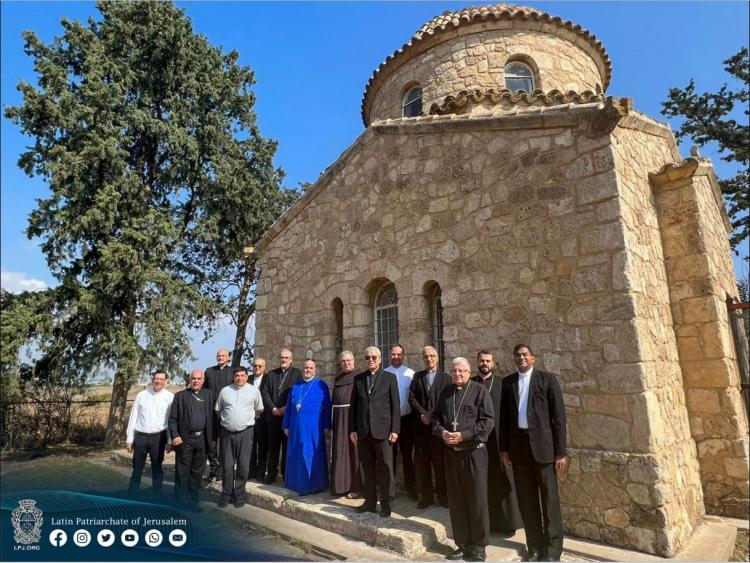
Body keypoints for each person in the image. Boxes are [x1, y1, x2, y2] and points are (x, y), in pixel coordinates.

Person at [499, 345, 567, 562]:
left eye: (525, 355)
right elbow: (504, 419)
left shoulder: (547, 380)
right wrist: (504, 449)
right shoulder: (508, 383)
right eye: (518, 355)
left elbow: (559, 418)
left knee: (549, 501)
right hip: (519, 450)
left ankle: (553, 549)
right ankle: (535, 546)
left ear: (533, 358)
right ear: (514, 358)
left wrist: (560, 452)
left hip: (544, 450)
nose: (521, 358)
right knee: (527, 501)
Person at [431, 357, 494, 563]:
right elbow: (436, 418)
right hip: (451, 453)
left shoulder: (479, 390)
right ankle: (462, 544)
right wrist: (441, 432)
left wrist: (464, 435)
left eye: (462, 371)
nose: (457, 374)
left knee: (476, 500)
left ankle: (479, 547)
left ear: (469, 372)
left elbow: (487, 422)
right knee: (457, 501)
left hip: (473, 453)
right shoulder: (446, 392)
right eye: (454, 371)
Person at [472, 350, 523, 536]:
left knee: (504, 481)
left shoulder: (502, 383)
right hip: (479, 442)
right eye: (481, 360)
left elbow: (511, 414)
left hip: (499, 442)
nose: (484, 363)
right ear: (477, 362)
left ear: (493, 363)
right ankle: (487, 523)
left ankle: (508, 523)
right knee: (483, 483)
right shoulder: (471, 383)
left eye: (488, 361)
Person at [349, 346, 400, 517]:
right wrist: (352, 429)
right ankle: (369, 502)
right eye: (367, 357)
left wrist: (395, 429)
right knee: (367, 469)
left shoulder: (389, 378)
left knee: (386, 470)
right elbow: (353, 407)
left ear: (380, 359)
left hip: (383, 431)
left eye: (373, 357)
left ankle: (386, 504)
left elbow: (396, 406)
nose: (370, 360)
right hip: (363, 432)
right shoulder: (358, 379)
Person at [214, 366, 264, 508]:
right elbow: (217, 410)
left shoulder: (254, 391)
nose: (239, 378)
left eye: (242, 375)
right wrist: (230, 420)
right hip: (227, 433)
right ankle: (226, 495)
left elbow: (259, 409)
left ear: (247, 377)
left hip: (246, 433)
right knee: (227, 466)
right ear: (233, 377)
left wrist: (245, 420)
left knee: (243, 465)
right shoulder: (225, 391)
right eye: (237, 375)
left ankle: (239, 496)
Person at [283, 359, 332, 495]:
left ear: (315, 370)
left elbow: (327, 406)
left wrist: (327, 425)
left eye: (311, 368)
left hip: (314, 428)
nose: (308, 370)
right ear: (302, 369)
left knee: (312, 455)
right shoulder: (296, 387)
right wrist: (286, 425)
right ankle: (295, 484)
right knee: (296, 454)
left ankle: (314, 486)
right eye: (306, 368)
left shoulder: (321, 385)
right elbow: (289, 408)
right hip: (296, 427)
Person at [409, 346, 450, 509]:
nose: (429, 359)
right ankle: (426, 497)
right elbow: (412, 398)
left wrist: (432, 417)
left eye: (432, 356)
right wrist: (422, 414)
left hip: (437, 429)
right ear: (423, 358)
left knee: (440, 466)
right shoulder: (417, 377)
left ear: (438, 358)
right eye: (426, 356)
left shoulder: (446, 378)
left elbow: (446, 401)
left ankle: (443, 496)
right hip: (420, 429)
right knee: (423, 465)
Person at [168, 369, 214, 512]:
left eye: (199, 379)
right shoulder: (180, 396)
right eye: (193, 378)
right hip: (184, 440)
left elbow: (217, 416)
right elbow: (172, 419)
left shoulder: (210, 395)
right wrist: (174, 435)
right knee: (182, 472)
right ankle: (180, 502)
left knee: (197, 474)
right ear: (189, 379)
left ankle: (193, 503)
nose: (196, 381)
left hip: (202, 439)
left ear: (203, 380)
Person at [126, 370, 174, 498]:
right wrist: (130, 438)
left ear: (165, 381)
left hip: (159, 438)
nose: (158, 381)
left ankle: (157, 498)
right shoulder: (142, 395)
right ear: (152, 379)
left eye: (161, 379)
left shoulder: (170, 397)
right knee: (137, 470)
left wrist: (169, 441)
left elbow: (171, 421)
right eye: (156, 378)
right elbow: (133, 416)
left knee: (157, 470)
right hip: (141, 437)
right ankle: (132, 497)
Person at [260, 349, 302, 484]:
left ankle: (286, 474)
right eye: (282, 357)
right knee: (272, 448)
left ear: (291, 359)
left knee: (286, 448)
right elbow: (264, 392)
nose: (283, 360)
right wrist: (272, 408)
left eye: (286, 358)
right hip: (272, 417)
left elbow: (298, 393)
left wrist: (286, 408)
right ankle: (271, 474)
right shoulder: (271, 374)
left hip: (287, 417)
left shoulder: (297, 374)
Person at [384, 344, 417, 501]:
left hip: (406, 420)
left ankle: (411, 489)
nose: (396, 357)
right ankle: (389, 491)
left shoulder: (410, 374)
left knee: (407, 456)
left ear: (403, 355)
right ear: (390, 355)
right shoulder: (384, 374)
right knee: (389, 457)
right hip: (389, 422)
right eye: (393, 354)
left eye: (398, 354)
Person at [330, 351, 362, 498]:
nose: (346, 363)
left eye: (349, 360)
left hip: (352, 419)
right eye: (343, 361)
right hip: (338, 419)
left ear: (353, 361)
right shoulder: (338, 378)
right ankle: (340, 486)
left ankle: (356, 488)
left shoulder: (360, 377)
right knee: (339, 452)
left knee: (354, 454)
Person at [204, 348, 234, 483]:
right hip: (210, 413)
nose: (220, 357)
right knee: (211, 442)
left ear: (228, 358)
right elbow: (204, 390)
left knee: (225, 443)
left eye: (223, 356)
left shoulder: (233, 372)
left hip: (226, 414)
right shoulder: (209, 371)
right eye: (218, 355)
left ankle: (222, 470)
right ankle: (213, 468)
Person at [249, 357, 268, 481]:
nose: (257, 368)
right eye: (255, 365)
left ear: (264, 367)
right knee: (250, 447)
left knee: (262, 447)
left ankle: (261, 473)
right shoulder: (248, 379)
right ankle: (251, 472)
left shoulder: (268, 379)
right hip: (249, 418)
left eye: (260, 366)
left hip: (263, 418)